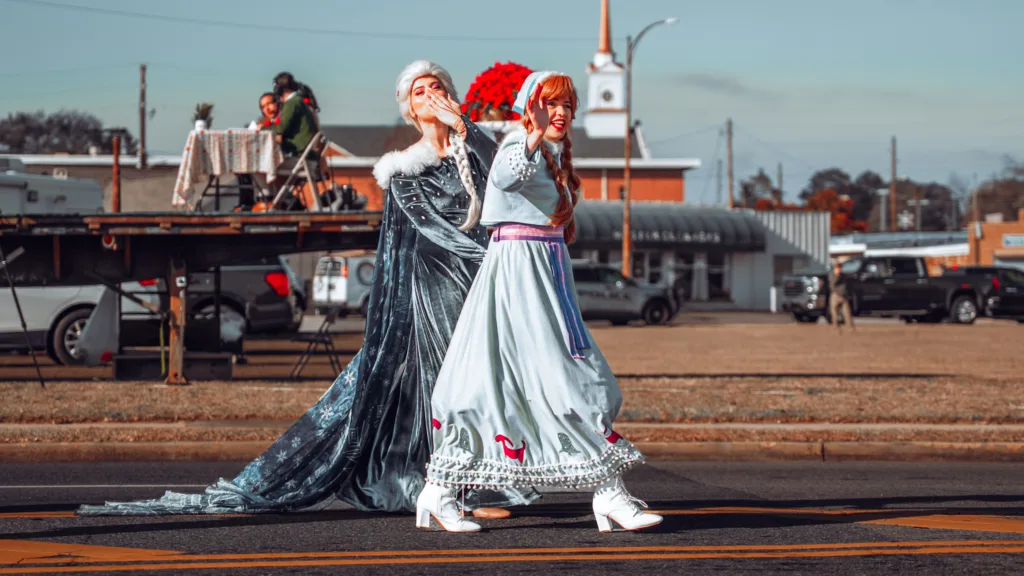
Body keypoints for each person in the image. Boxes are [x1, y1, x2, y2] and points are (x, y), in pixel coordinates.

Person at [77, 60, 533, 517]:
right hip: (434, 289)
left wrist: (466, 128)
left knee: (486, 381)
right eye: (419, 92)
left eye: (437, 87)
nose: (430, 95)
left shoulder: (474, 151)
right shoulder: (401, 171)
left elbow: (509, 178)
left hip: (481, 285)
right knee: (444, 384)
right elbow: (434, 233)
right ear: (409, 111)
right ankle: (453, 489)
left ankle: (476, 483)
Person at [415, 72, 662, 533]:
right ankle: (606, 495)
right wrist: (524, 134)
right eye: (551, 104)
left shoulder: (548, 155)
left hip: (543, 274)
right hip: (520, 277)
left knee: (514, 383)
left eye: (568, 104)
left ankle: (440, 492)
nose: (562, 113)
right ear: (530, 107)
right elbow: (506, 176)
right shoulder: (519, 146)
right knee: (569, 377)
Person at [828, 260, 854, 332]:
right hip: (835, 295)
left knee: (846, 312)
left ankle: (850, 327)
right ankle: (835, 327)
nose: (839, 269)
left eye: (839, 267)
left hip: (843, 296)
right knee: (834, 312)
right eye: (837, 267)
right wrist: (836, 275)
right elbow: (832, 285)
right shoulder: (832, 275)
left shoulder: (843, 275)